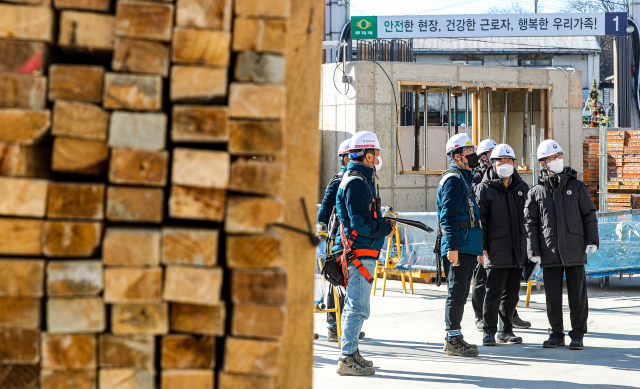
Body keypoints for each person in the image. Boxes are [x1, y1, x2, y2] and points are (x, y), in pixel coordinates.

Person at [524, 139, 599, 350]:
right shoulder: (536, 192)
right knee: (552, 297)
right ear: (543, 163)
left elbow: (589, 214)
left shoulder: (577, 186)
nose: (558, 160)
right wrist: (533, 249)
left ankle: (578, 334)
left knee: (577, 295)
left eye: (559, 156)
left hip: (574, 248)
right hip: (549, 250)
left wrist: (592, 239)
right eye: (552, 158)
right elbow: (530, 223)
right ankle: (556, 334)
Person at [333, 131, 395, 376]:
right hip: (359, 252)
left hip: (363, 250)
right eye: (377, 154)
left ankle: (352, 352)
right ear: (369, 155)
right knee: (357, 306)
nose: (379, 158)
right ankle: (347, 357)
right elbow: (360, 223)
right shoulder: (357, 182)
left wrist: (382, 223)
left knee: (357, 305)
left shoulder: (359, 179)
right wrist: (384, 229)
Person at [471, 140, 532, 332]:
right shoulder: (484, 188)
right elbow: (480, 221)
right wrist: (480, 247)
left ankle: (506, 332)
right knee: (493, 293)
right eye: (500, 160)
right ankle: (489, 331)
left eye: (508, 160)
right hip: (495, 251)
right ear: (492, 162)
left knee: (512, 295)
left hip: (517, 250)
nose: (505, 164)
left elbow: (529, 219)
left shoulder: (522, 187)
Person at [436, 133, 483, 357]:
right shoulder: (454, 180)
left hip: (468, 245)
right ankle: (452, 338)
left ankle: (454, 337)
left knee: (462, 292)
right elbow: (448, 217)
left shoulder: (465, 179)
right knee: (456, 293)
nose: (474, 155)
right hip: (459, 246)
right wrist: (452, 247)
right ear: (457, 156)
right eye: (469, 151)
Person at [317, 138, 365, 342]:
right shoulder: (339, 180)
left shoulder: (355, 178)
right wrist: (324, 233)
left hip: (348, 238)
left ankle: (345, 323)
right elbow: (324, 211)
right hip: (336, 237)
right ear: (345, 157)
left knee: (346, 283)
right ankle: (334, 326)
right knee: (334, 282)